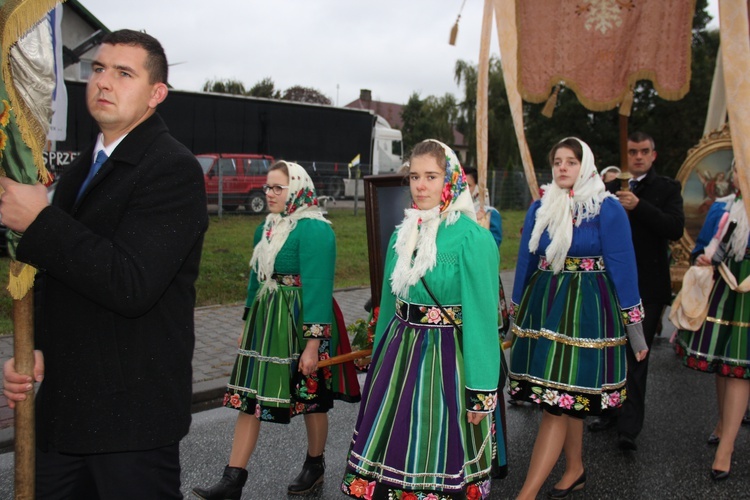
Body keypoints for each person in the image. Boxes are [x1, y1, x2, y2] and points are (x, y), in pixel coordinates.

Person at [0, 30, 208, 498]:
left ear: (157, 94)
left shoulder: (171, 168)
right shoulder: (80, 169)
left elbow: (130, 283)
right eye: (97, 69)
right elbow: (62, 276)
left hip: (129, 424)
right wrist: (35, 349)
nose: (104, 82)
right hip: (63, 414)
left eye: (123, 73)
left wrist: (40, 220)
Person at [341, 139, 500, 499]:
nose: (421, 185)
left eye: (431, 176)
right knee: (392, 446)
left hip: (447, 361)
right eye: (415, 176)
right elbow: (390, 302)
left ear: (453, 179)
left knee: (437, 448)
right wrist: (377, 361)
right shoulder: (403, 232)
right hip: (400, 356)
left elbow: (481, 320)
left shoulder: (473, 238)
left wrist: (480, 392)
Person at [193, 161, 360, 499]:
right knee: (249, 399)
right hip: (268, 323)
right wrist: (247, 324)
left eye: (277, 188)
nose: (269, 193)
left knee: (311, 399)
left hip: (302, 321)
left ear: (297, 188)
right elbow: (258, 280)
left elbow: (317, 287)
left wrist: (313, 345)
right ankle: (232, 479)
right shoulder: (266, 228)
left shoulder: (315, 230)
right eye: (268, 187)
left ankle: (314, 464)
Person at [508, 137, 648, 499]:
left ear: (585, 165)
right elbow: (527, 258)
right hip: (546, 308)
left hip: (587, 313)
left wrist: (636, 331)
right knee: (563, 398)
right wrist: (517, 309)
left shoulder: (606, 208)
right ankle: (575, 469)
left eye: (571, 161)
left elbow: (623, 265)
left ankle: (527, 494)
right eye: (557, 162)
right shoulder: (542, 206)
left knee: (559, 401)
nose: (563, 168)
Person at [588, 131, 685, 451]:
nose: (639, 156)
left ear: (653, 155)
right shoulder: (609, 190)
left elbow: (674, 228)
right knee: (611, 351)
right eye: (633, 151)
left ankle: (629, 426)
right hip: (612, 284)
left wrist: (640, 206)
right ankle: (610, 411)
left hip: (648, 285)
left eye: (645, 151)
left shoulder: (666, 188)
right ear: (626, 154)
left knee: (637, 354)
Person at [674, 163, 750, 481]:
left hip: (746, 291)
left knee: (737, 368)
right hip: (723, 286)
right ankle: (723, 424)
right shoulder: (723, 207)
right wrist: (703, 256)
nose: (737, 172)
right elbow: (700, 247)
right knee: (723, 364)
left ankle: (727, 448)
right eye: (736, 167)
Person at [464, 166, 509, 477]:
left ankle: (495, 455)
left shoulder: (488, 211)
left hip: (484, 289)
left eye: (469, 184)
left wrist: (485, 228)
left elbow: (494, 246)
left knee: (488, 368)